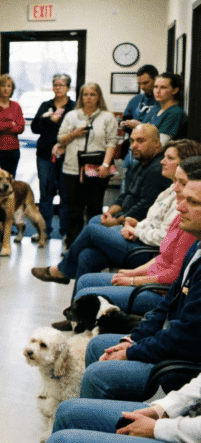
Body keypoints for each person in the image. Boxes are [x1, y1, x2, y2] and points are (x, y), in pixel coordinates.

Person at [78, 157, 201, 403]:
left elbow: (183, 335)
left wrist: (133, 351)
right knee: (89, 256)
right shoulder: (197, 243)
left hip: (179, 365)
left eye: (192, 201)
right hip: (168, 334)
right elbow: (168, 304)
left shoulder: (192, 237)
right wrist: (133, 338)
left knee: (95, 376)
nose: (179, 206)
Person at [32, 126, 175, 285]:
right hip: (133, 229)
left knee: (92, 228)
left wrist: (117, 221)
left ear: (157, 144)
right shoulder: (142, 163)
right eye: (132, 140)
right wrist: (112, 212)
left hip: (140, 242)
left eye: (140, 141)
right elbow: (127, 195)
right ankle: (79, 307)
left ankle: (61, 271)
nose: (134, 145)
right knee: (87, 255)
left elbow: (142, 209)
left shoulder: (156, 170)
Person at [48, 370, 201, 442]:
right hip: (190, 417)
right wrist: (163, 409)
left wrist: (157, 428)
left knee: (62, 440)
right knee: (67, 412)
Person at [56, 82, 119, 244]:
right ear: (81, 97)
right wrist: (74, 134)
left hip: (97, 169)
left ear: (99, 97)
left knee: (94, 208)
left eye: (92, 94)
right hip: (72, 169)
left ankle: (93, 243)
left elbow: (112, 143)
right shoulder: (71, 115)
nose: (88, 98)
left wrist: (106, 165)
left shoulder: (107, 117)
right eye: (85, 94)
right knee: (74, 210)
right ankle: (72, 244)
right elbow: (60, 139)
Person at [31, 73, 75, 240]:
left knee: (66, 195)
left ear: (68, 88)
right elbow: (35, 127)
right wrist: (51, 121)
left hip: (67, 156)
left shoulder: (74, 107)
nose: (58, 88)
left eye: (61, 85)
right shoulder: (45, 105)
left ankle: (65, 232)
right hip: (44, 156)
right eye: (55, 85)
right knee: (45, 194)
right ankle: (44, 231)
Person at [119, 65, 159, 182]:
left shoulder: (161, 101)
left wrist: (139, 125)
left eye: (146, 83)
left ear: (156, 79)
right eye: (139, 84)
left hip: (151, 152)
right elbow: (125, 119)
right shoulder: (135, 100)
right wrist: (126, 124)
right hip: (133, 149)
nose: (142, 87)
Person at [142, 72, 187, 143]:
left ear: (175, 90)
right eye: (155, 87)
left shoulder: (175, 113)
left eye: (163, 87)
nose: (158, 91)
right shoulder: (155, 109)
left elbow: (160, 143)